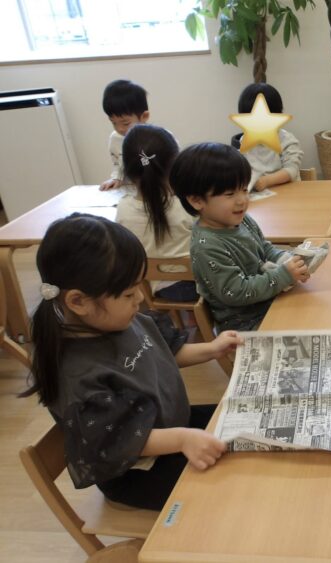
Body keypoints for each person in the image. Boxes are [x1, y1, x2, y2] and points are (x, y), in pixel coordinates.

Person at [19, 213, 243, 510]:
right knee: (232, 485)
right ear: (78, 301)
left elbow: (165, 351)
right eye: (128, 293)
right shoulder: (76, 374)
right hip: (138, 469)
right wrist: (182, 439)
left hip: (173, 425)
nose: (139, 298)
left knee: (243, 419)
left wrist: (212, 349)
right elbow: (118, 440)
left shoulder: (116, 318)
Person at [170, 142, 309, 331]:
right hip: (248, 324)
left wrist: (289, 259)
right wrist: (283, 275)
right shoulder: (206, 247)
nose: (242, 200)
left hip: (270, 301)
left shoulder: (240, 219)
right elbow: (238, 292)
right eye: (230, 194)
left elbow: (264, 248)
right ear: (197, 200)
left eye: (244, 189)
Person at [117, 124, 197, 302]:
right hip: (195, 284)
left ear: (127, 169)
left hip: (155, 287)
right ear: (175, 166)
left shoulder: (123, 209)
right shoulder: (185, 205)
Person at [234, 83, 303, 191]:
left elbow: (292, 169)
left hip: (287, 192)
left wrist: (266, 181)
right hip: (258, 195)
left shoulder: (286, 140)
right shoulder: (245, 140)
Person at [100, 79, 150, 191]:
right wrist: (116, 178)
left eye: (125, 123)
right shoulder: (115, 138)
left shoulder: (156, 137)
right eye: (113, 123)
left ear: (144, 117)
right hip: (130, 188)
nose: (119, 128)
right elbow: (117, 163)